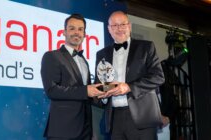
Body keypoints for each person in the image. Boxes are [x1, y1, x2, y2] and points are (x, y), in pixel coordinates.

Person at [94, 11, 165, 140]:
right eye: (114, 25)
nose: (119, 28)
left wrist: (129, 87)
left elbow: (158, 76)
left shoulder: (146, 47)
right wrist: (103, 94)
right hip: (114, 119)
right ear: (109, 29)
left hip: (142, 118)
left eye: (123, 24)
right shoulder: (101, 54)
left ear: (129, 26)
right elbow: (101, 84)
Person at [41, 14, 104, 140]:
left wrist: (104, 93)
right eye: (72, 28)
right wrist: (86, 91)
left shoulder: (84, 61)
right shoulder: (52, 56)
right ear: (64, 32)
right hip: (63, 131)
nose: (77, 32)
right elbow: (52, 90)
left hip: (86, 130)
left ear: (85, 34)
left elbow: (86, 94)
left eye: (80, 29)